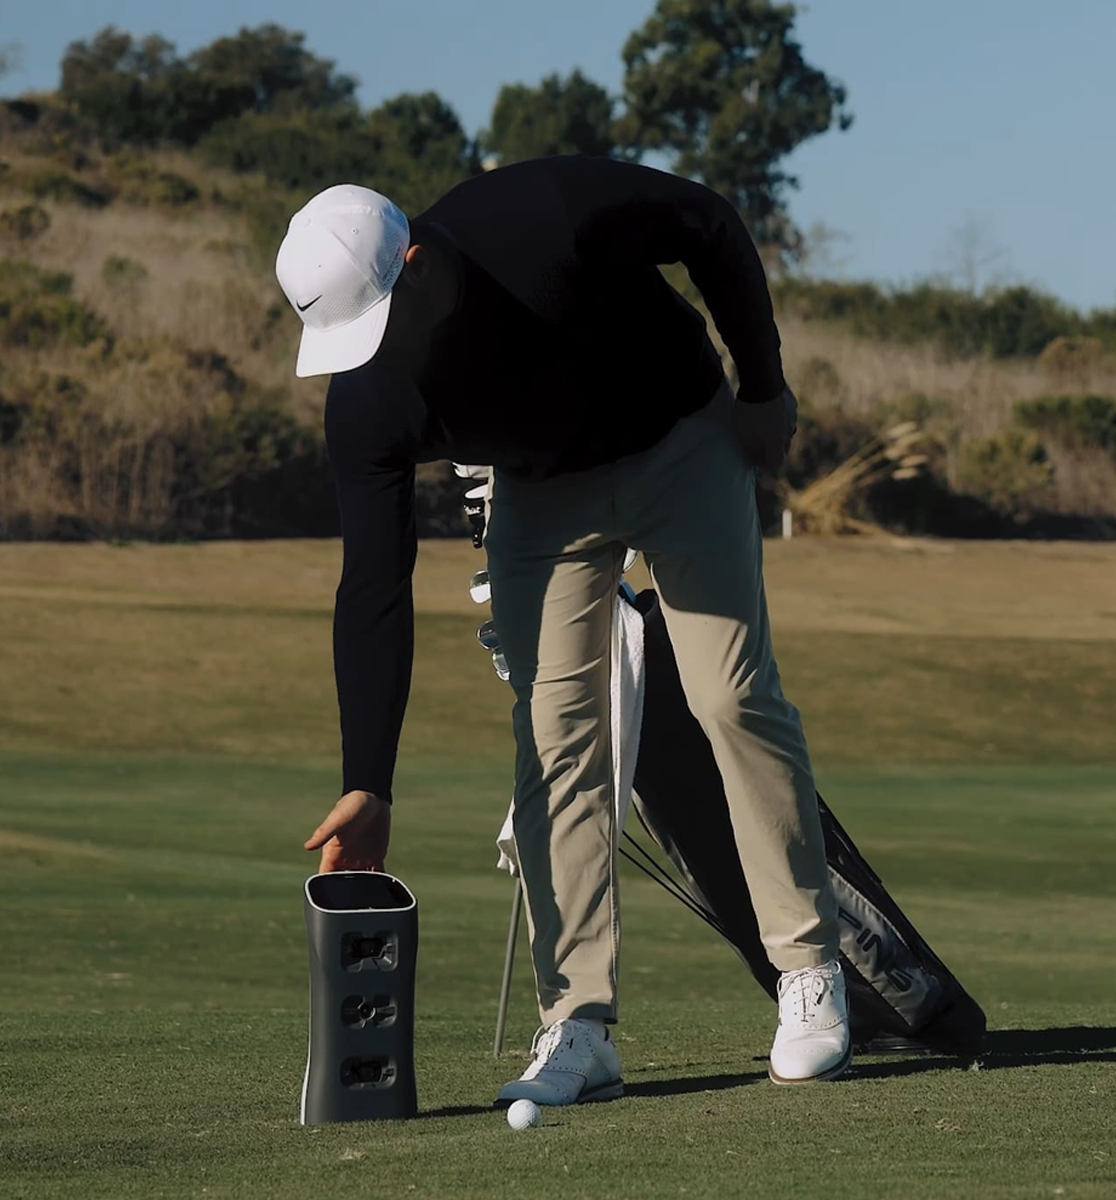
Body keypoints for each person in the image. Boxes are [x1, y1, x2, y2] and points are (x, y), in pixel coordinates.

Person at [277, 158, 851, 1104]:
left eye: (373, 329)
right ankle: (577, 1026)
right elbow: (373, 584)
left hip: (677, 438)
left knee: (728, 693)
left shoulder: (542, 218)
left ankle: (809, 972)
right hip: (541, 495)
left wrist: (761, 389)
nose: (366, 359)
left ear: (417, 266)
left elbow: (708, 222)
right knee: (554, 739)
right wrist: (366, 781)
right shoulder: (368, 400)